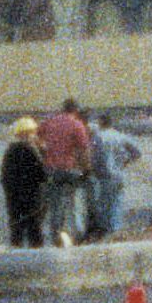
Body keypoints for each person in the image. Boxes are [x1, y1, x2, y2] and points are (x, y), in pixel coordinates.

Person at [37, 97, 92, 246]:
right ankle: (78, 235)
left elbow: (37, 138)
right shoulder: (77, 124)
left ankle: (56, 236)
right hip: (69, 169)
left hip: (51, 169)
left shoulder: (49, 122)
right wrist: (86, 170)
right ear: (75, 110)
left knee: (55, 204)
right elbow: (83, 150)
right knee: (74, 203)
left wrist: (44, 153)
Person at [88, 114, 143, 240]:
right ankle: (115, 231)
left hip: (103, 176)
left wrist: (91, 170)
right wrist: (125, 162)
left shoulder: (98, 137)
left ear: (101, 122)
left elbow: (94, 157)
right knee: (116, 203)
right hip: (119, 175)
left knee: (103, 204)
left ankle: (105, 233)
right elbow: (137, 152)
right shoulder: (120, 136)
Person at [0, 118, 46, 248]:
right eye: (33, 132)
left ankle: (15, 253)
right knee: (34, 229)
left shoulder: (10, 150)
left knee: (16, 228)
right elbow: (42, 172)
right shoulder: (32, 150)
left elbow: (4, 176)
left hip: (14, 196)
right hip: (32, 196)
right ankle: (36, 257)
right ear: (28, 133)